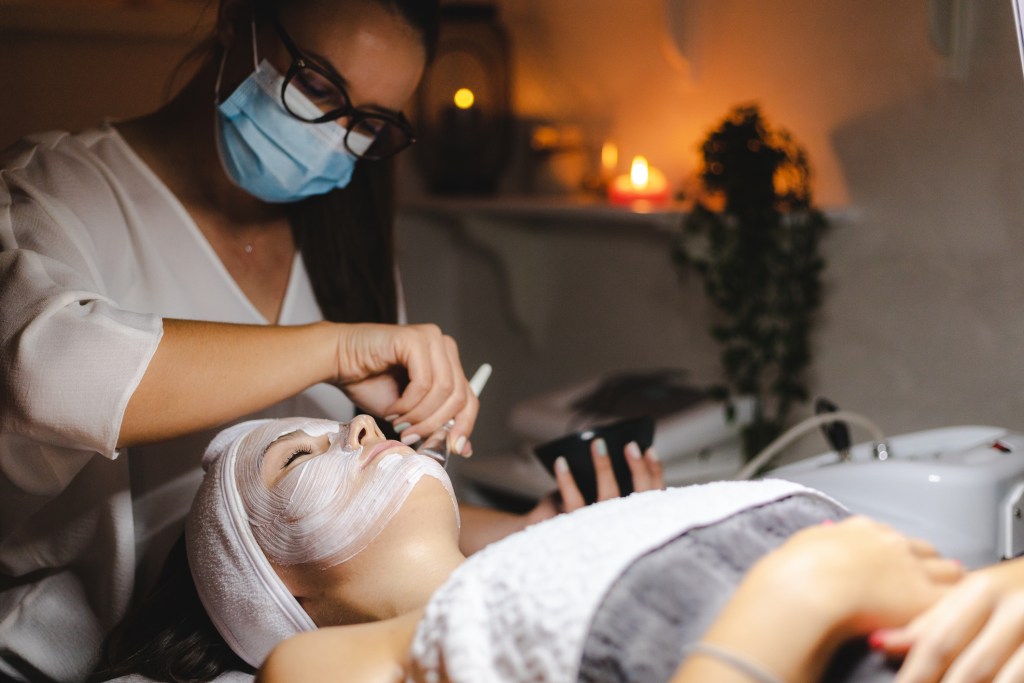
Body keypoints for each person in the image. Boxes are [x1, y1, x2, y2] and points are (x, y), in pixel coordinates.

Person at [0, 0, 547, 679]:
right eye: (318, 85)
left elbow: (359, 527)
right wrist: (332, 349)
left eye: (369, 123)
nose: (334, 134)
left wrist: (531, 530)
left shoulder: (346, 244)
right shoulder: (55, 191)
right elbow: (46, 375)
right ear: (238, 20)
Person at [98, 414, 964, 683]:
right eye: (298, 456)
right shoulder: (317, 664)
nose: (359, 424)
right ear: (274, 588)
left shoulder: (538, 562)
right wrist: (800, 598)